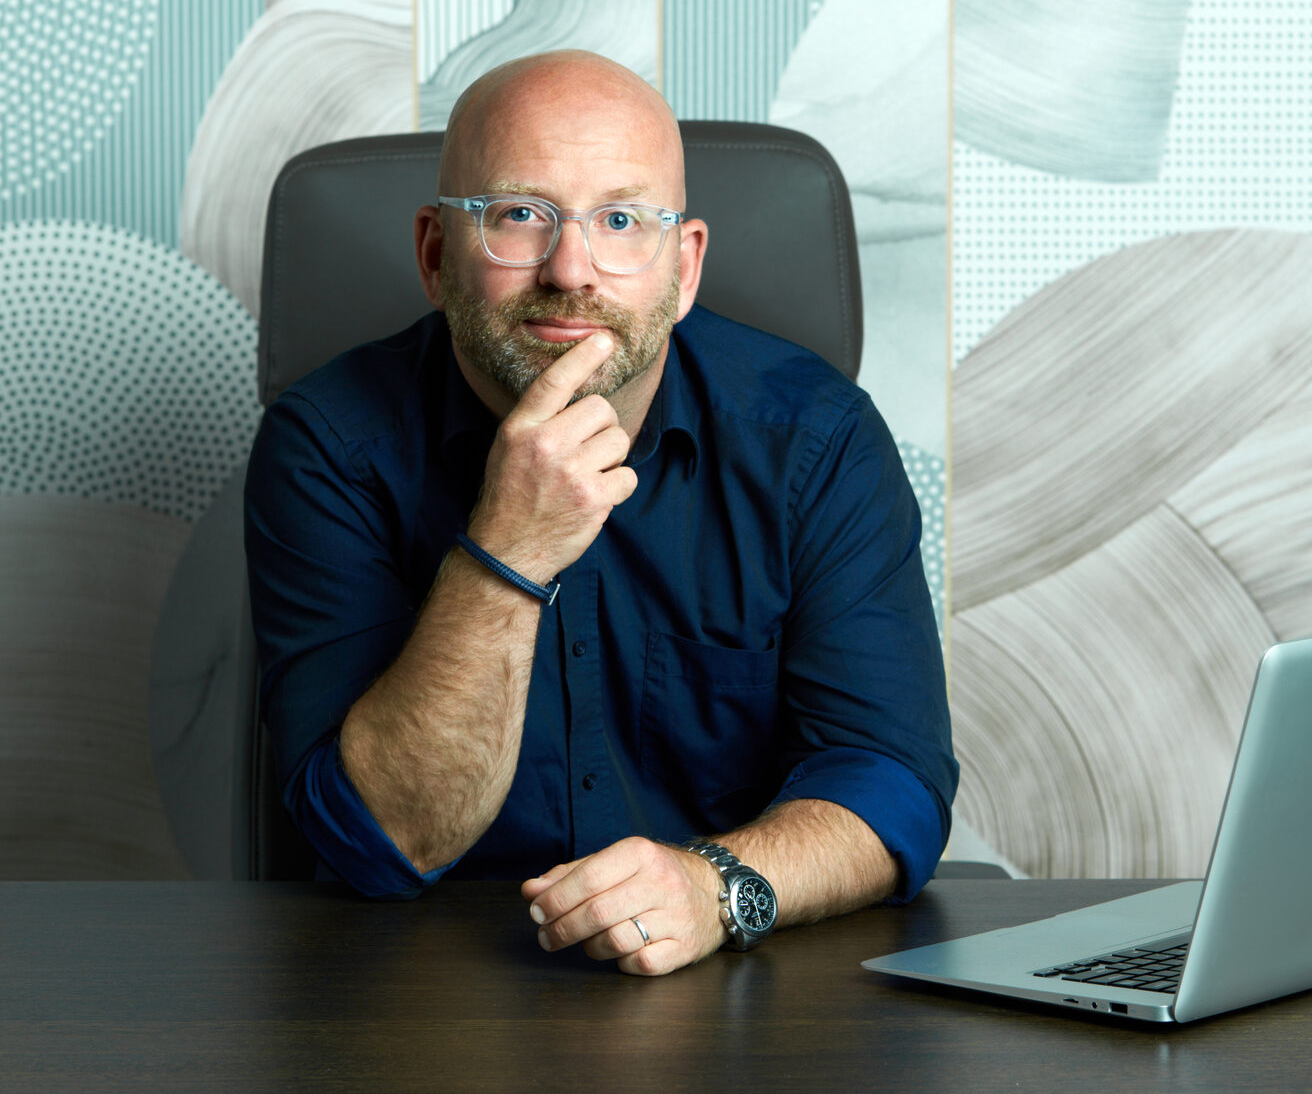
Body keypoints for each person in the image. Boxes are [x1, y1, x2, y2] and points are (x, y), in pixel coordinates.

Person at [244, 50, 957, 976]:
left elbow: (891, 780)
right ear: (435, 255)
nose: (570, 270)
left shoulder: (816, 441)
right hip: (420, 986)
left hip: (736, 978)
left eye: (620, 220)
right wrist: (507, 551)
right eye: (518, 214)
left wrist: (713, 885)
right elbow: (383, 840)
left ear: (684, 267)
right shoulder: (328, 447)